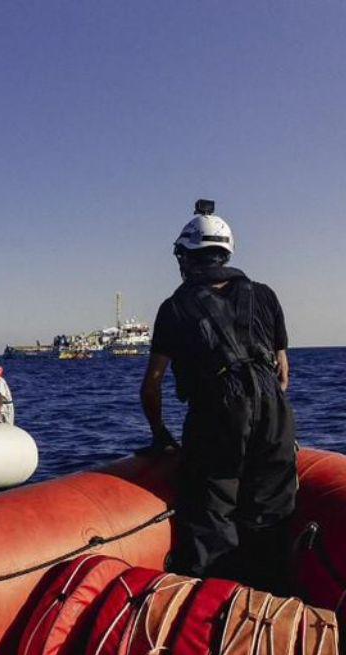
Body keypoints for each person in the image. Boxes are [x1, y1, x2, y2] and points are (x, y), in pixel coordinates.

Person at [140, 199, 297, 589]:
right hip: (273, 408)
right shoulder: (265, 295)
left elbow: (153, 382)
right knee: (271, 514)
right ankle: (270, 605)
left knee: (211, 512)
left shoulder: (174, 307)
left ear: (186, 257)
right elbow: (282, 372)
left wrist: (160, 435)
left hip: (219, 409)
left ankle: (217, 607)